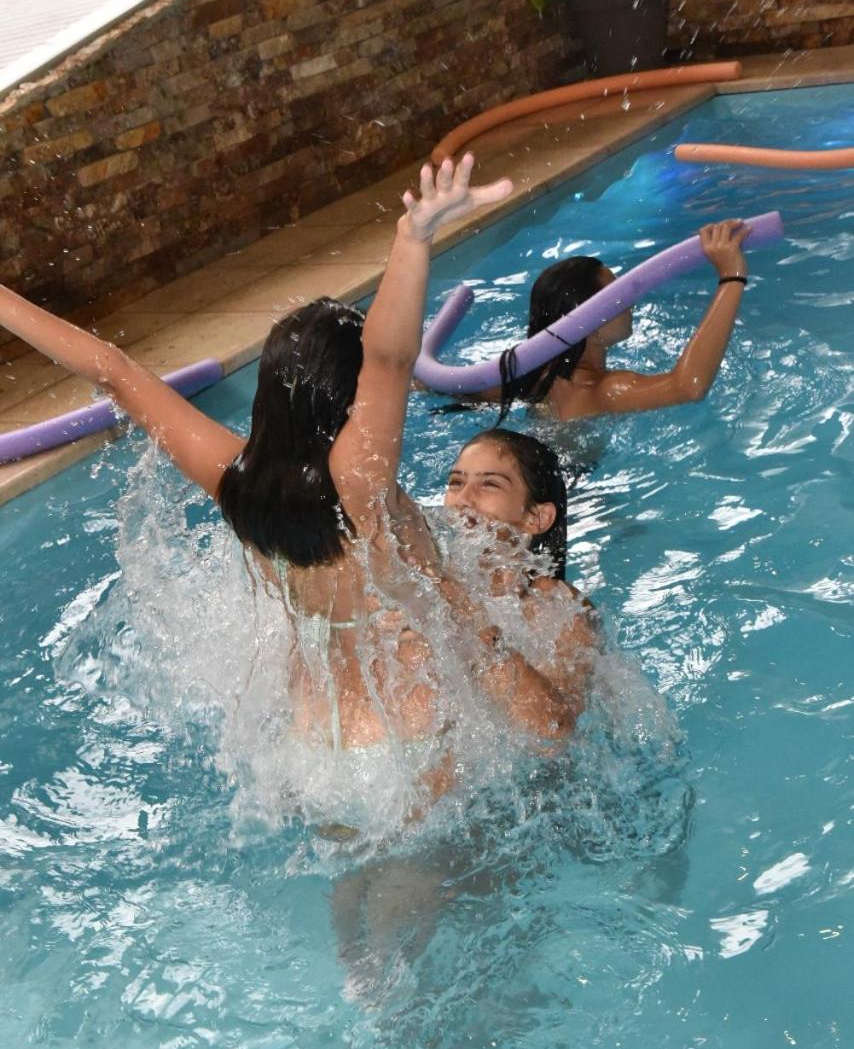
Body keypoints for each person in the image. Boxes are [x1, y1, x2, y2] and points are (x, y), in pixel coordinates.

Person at [0, 155, 596, 797]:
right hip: (409, 742)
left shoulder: (239, 484)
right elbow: (390, 359)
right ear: (349, 399)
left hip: (312, 752)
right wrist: (411, 239)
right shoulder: (357, 487)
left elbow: (113, 371)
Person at [434, 221, 752, 423]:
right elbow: (689, 386)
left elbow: (444, 388)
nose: (630, 303)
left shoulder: (527, 376)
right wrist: (732, 277)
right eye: (617, 296)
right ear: (588, 319)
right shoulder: (604, 390)